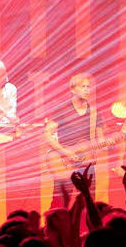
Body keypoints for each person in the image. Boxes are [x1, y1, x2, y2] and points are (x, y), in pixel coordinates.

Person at [44, 73, 104, 207]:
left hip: (86, 164)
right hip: (65, 162)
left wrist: (100, 147)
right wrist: (66, 153)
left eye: (88, 87)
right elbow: (47, 135)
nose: (87, 89)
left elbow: (100, 140)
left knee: (89, 202)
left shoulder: (94, 112)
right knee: (60, 202)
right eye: (83, 86)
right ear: (72, 90)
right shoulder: (62, 109)